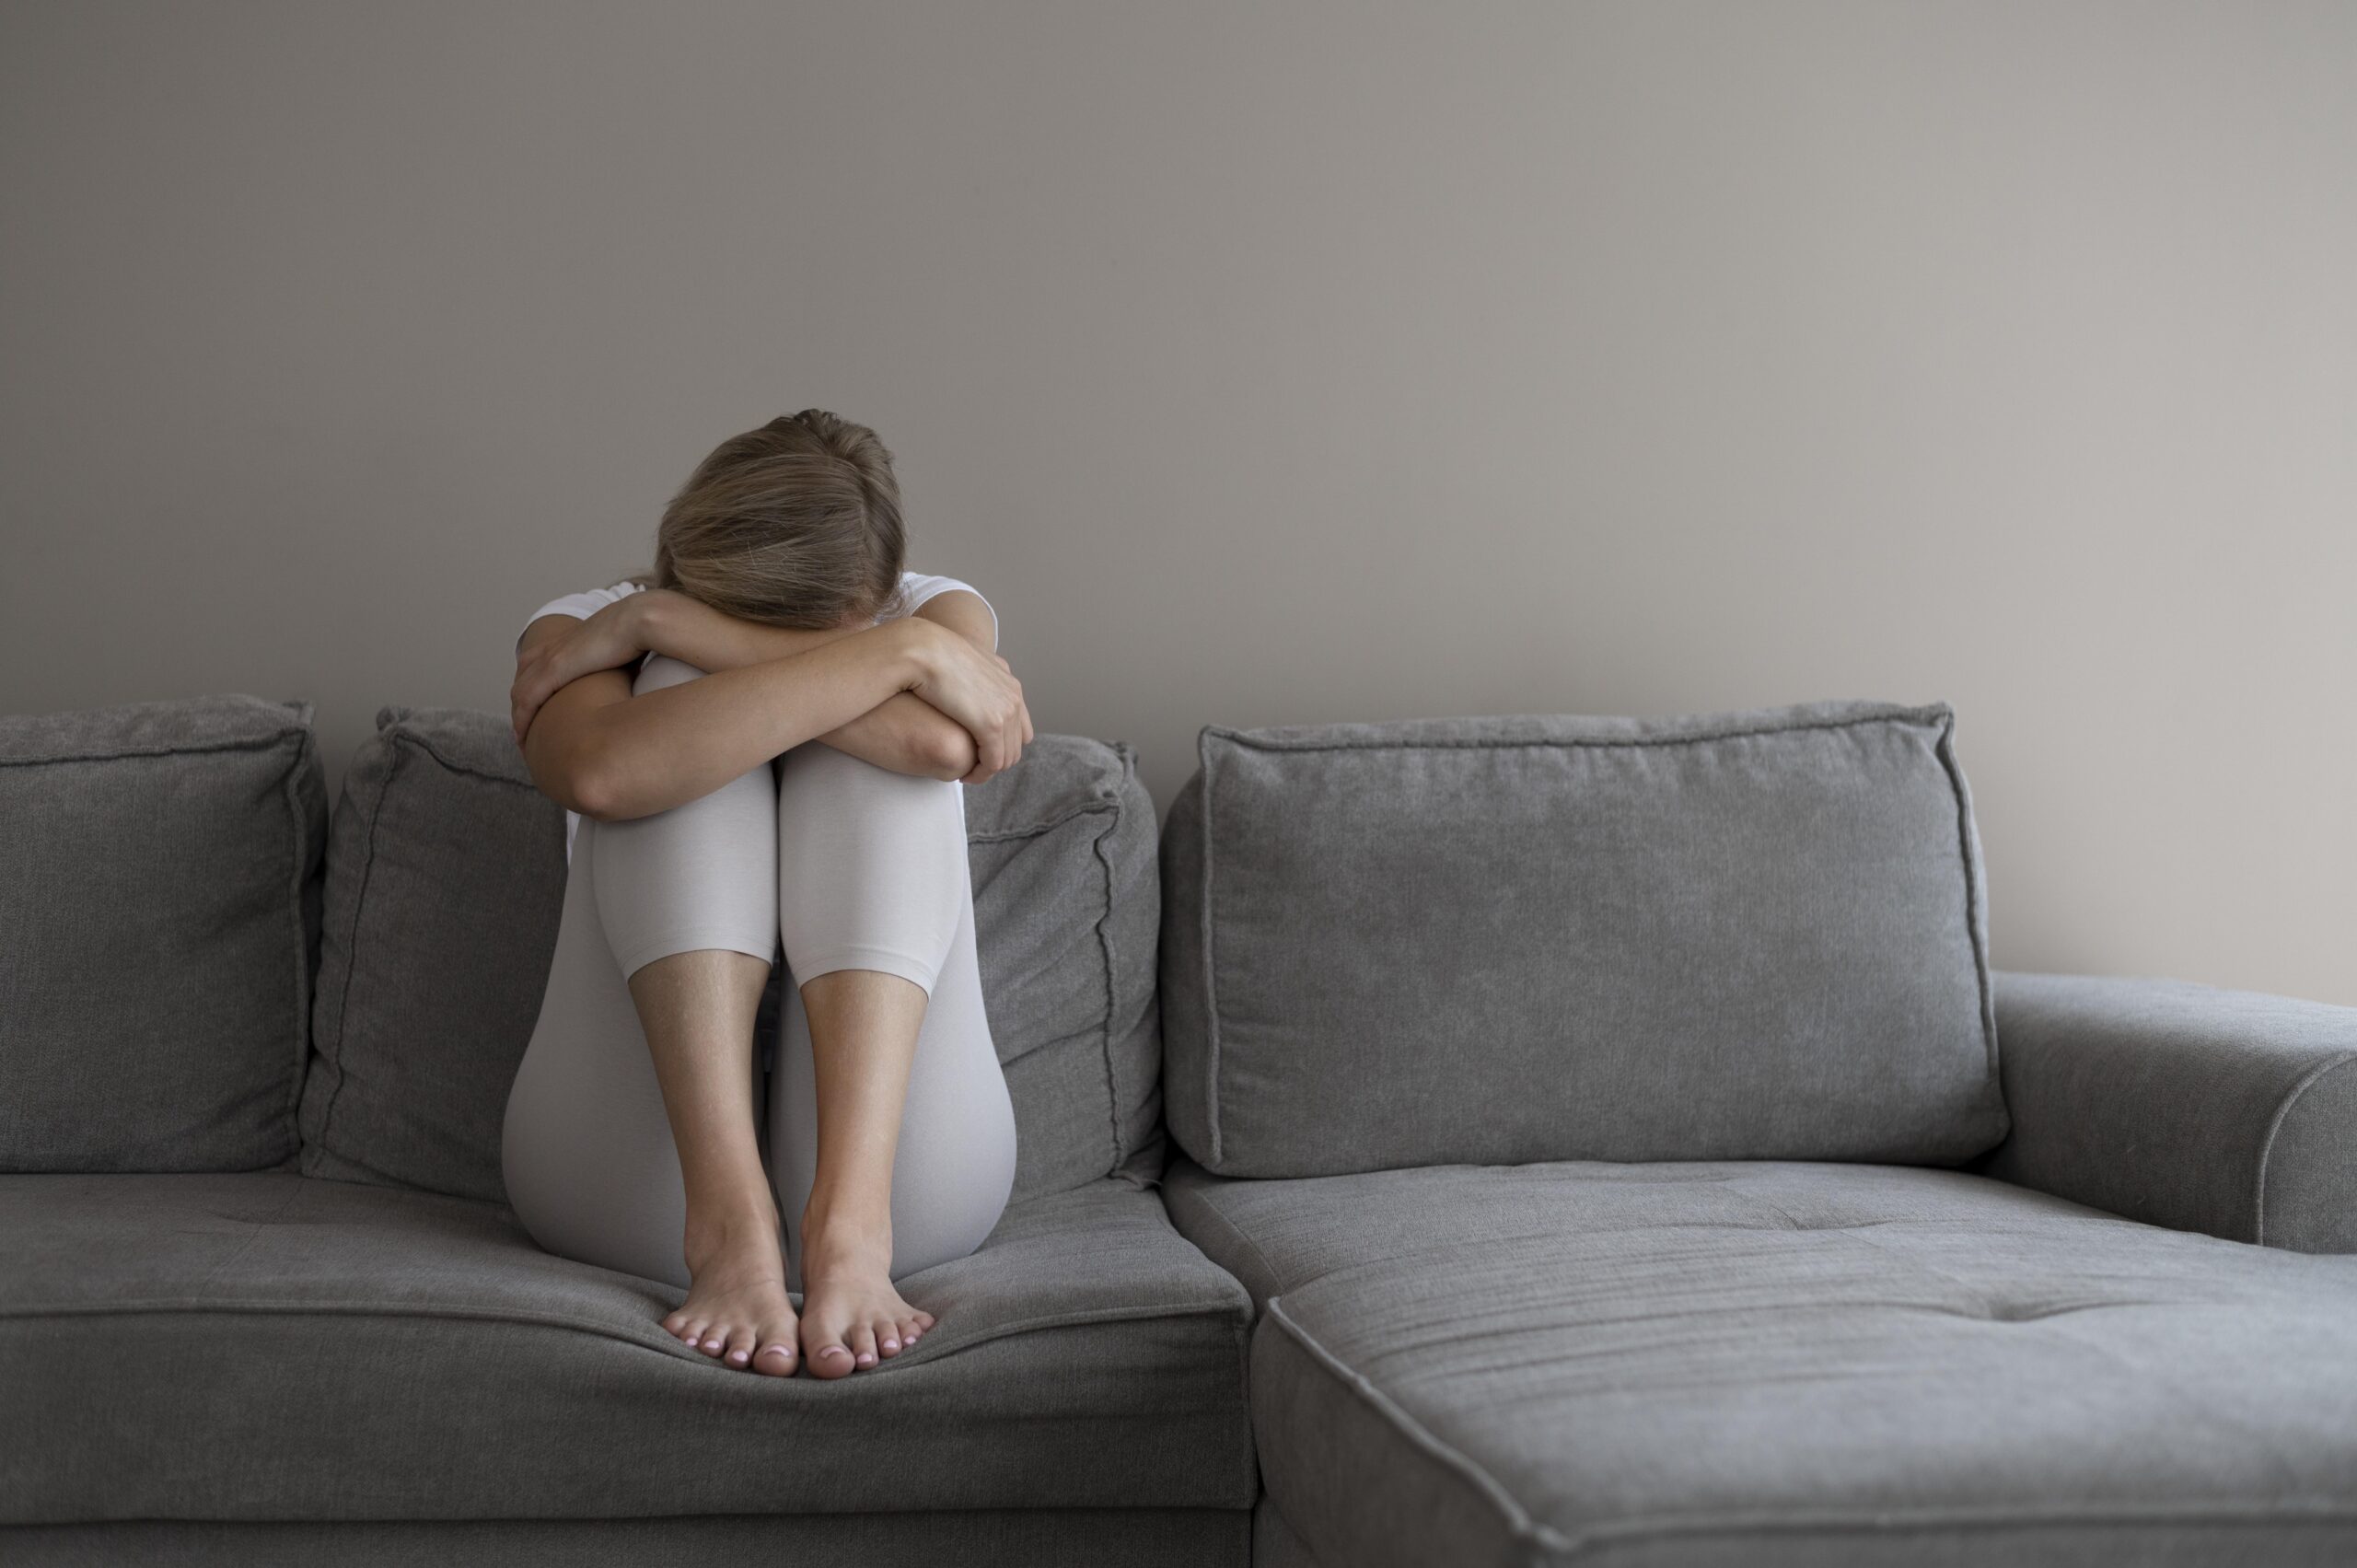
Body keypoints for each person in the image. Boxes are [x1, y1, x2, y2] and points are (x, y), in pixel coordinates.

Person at [498, 410, 1031, 1381]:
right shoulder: (581, 624)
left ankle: (849, 1228)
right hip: (633, 1177)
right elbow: (604, 774)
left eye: (867, 631)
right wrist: (876, 660)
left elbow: (940, 749)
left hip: (913, 1184)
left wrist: (672, 621)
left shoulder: (934, 609)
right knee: (671, 702)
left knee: (874, 762)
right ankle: (730, 1222)